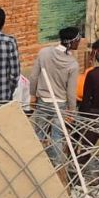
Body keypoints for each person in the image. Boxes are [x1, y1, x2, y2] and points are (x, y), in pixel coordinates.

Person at [29, 27, 81, 168]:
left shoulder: (44, 53)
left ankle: (36, 165)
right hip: (61, 105)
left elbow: (33, 76)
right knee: (57, 137)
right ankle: (57, 167)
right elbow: (71, 92)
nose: (80, 42)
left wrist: (32, 95)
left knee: (39, 134)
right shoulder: (72, 64)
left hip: (43, 102)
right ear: (72, 42)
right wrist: (72, 111)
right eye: (78, 39)